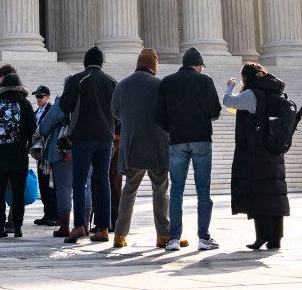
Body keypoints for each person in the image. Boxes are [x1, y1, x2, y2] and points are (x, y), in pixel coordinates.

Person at [156, 48, 222, 252]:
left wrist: (173, 129)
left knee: (176, 190)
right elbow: (215, 111)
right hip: (201, 139)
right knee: (203, 190)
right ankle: (203, 237)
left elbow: (159, 115)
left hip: (177, 140)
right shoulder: (205, 81)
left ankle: (174, 238)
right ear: (198, 65)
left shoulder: (167, 82)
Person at [224, 62, 291, 250]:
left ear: (247, 77)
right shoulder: (274, 92)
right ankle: (275, 238)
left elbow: (228, 102)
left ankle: (262, 236)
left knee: (259, 194)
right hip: (274, 150)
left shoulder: (252, 93)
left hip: (257, 151)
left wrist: (230, 86)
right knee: (274, 195)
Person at [111, 48, 171, 248]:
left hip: (132, 145)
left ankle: (120, 235)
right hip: (157, 143)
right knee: (160, 189)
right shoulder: (161, 85)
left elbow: (115, 113)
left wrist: (131, 121)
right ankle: (163, 236)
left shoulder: (122, 85)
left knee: (129, 190)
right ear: (154, 67)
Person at [60, 46, 117, 244]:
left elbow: (64, 106)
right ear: (101, 63)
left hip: (83, 137)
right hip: (106, 138)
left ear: (85, 62)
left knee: (79, 180)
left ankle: (79, 226)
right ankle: (103, 227)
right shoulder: (111, 81)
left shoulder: (79, 79)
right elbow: (118, 112)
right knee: (102, 181)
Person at [0, 68, 36, 238]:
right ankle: (18, 227)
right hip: (18, 153)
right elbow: (32, 128)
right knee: (17, 193)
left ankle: (0, 227)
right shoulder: (24, 102)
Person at [33, 90, 74, 237]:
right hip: (88, 150)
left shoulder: (60, 104)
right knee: (85, 187)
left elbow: (44, 127)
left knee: (62, 188)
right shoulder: (90, 100)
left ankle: (63, 223)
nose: (38, 99)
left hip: (64, 152)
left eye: (40, 96)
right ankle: (84, 224)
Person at [30, 86, 56, 225]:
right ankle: (47, 213)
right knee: (43, 184)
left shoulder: (51, 111)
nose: (38, 99)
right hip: (40, 153)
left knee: (51, 185)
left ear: (48, 97)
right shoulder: (36, 113)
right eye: (37, 97)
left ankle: (55, 215)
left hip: (49, 152)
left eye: (41, 96)